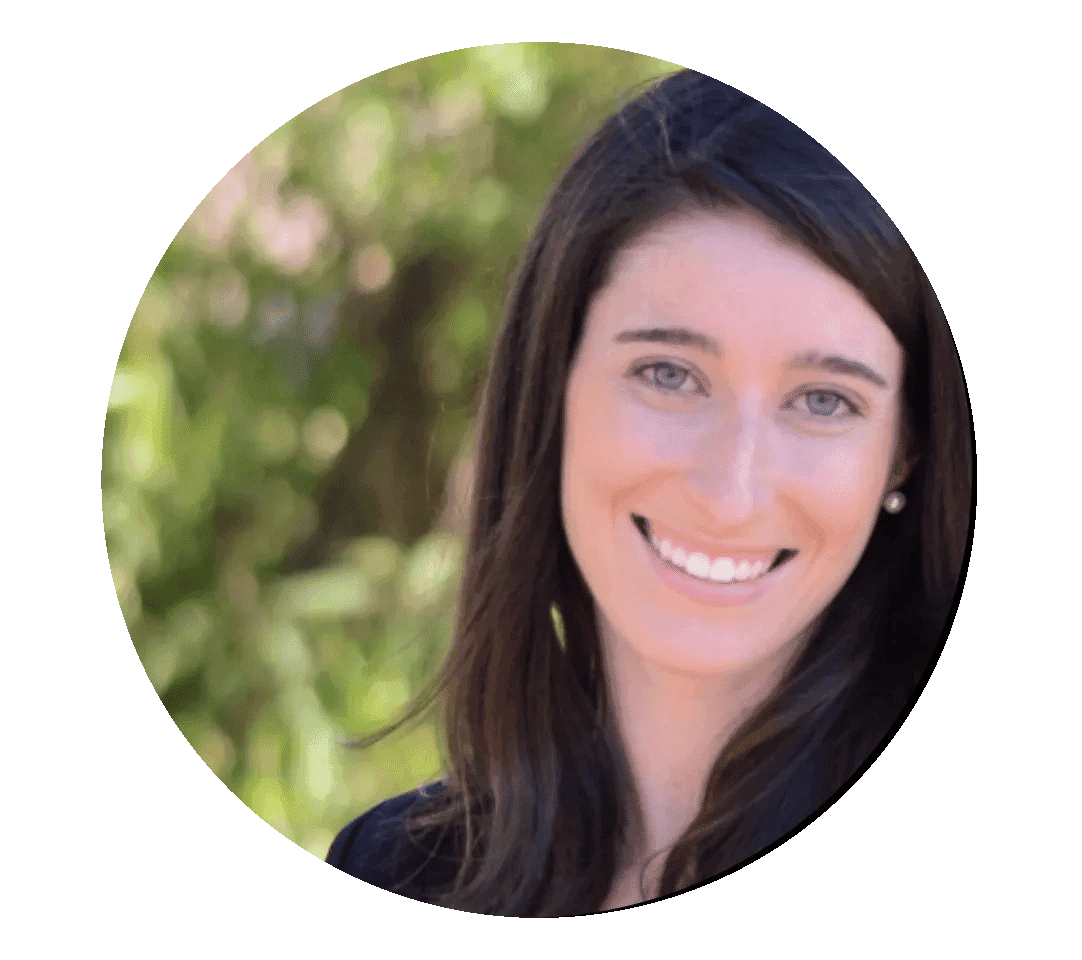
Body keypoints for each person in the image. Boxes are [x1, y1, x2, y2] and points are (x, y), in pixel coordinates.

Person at [326, 68, 973, 917]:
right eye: (668, 374)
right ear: (550, 387)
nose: (730, 492)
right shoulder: (395, 872)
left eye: (824, 400)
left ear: (905, 455)